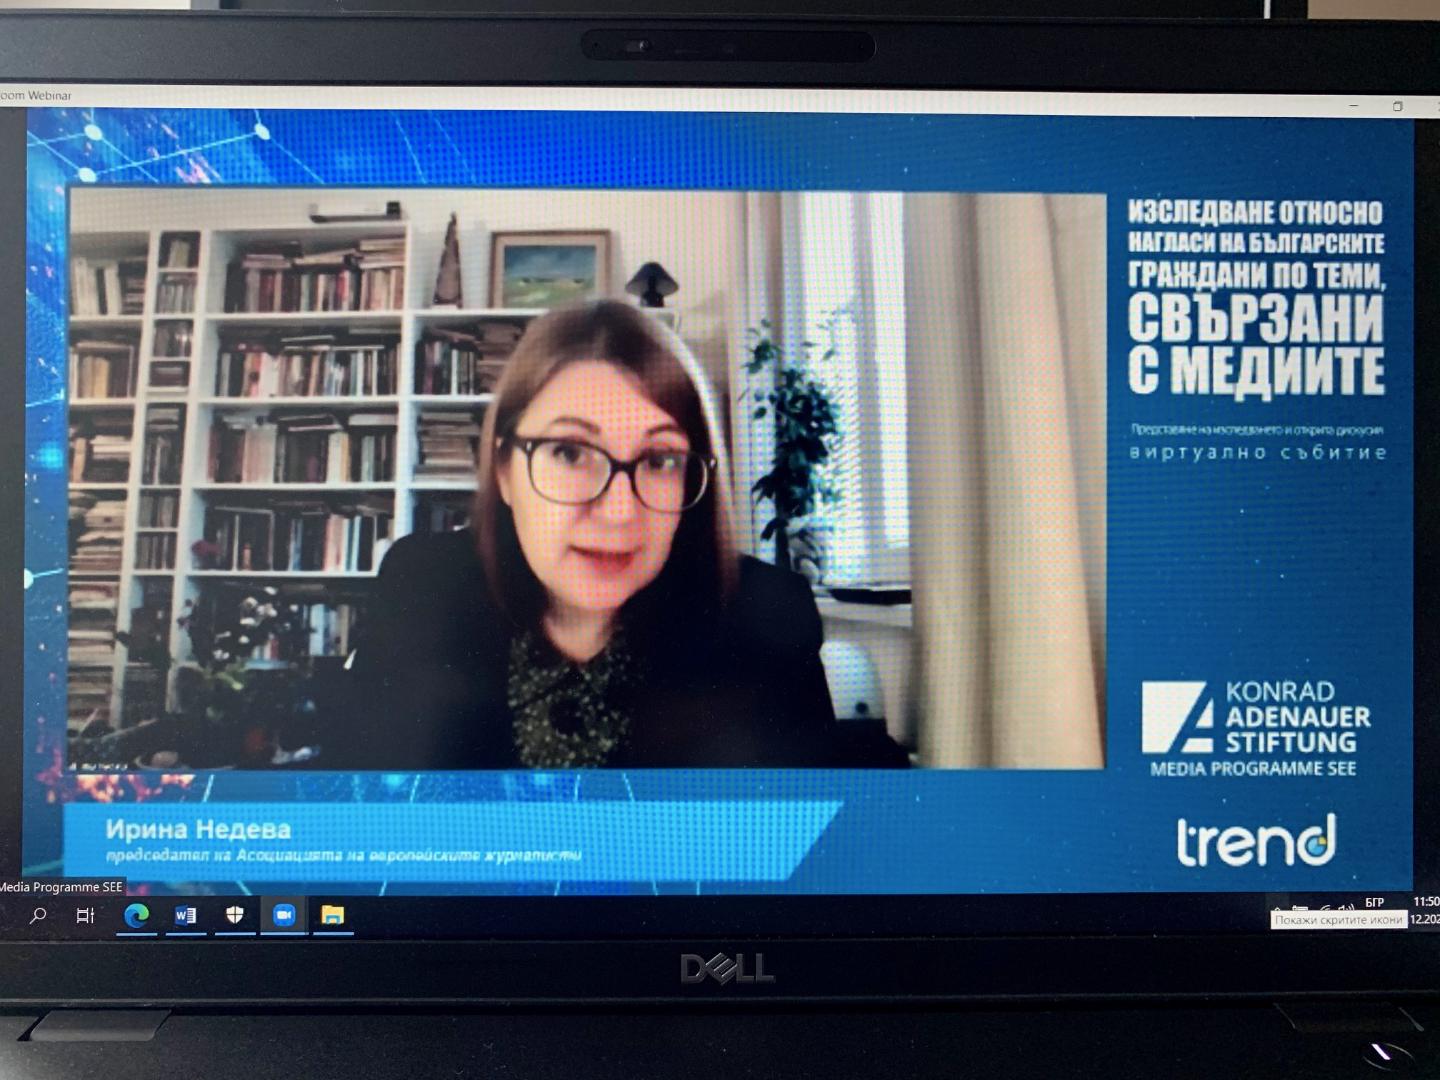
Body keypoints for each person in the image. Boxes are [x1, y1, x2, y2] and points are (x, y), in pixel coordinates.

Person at [336, 299, 893, 770]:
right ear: (504, 470)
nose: (620, 511)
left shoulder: (765, 615)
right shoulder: (423, 589)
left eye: (660, 460)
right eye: (569, 452)